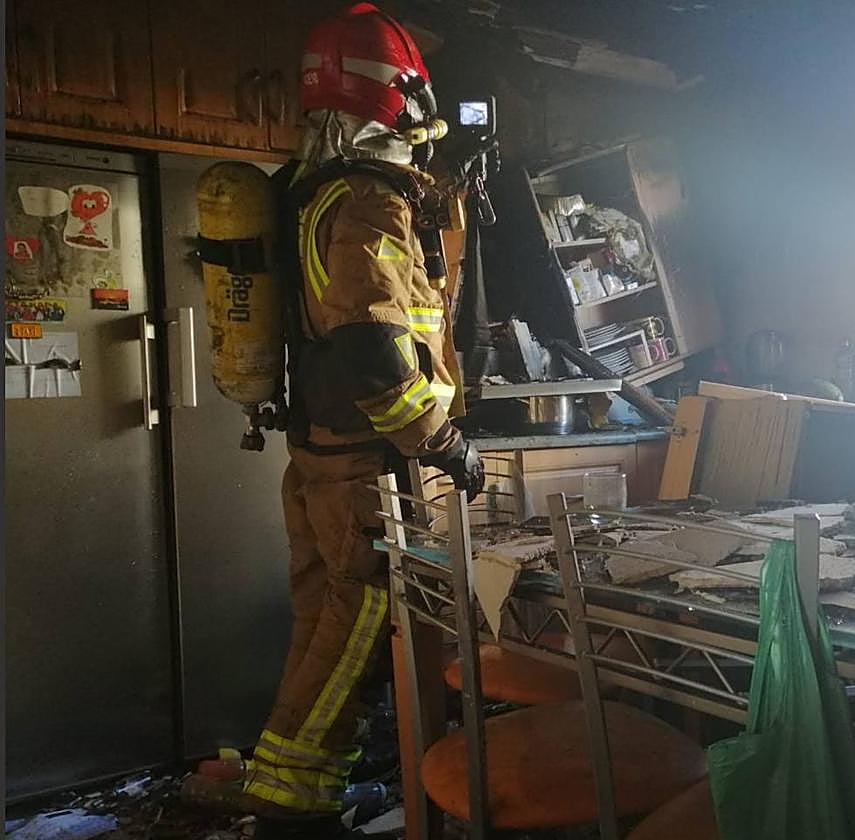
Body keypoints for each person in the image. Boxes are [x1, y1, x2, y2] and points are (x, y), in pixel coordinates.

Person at [245, 4, 484, 836]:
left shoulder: (311, 194)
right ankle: (292, 813)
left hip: (317, 456)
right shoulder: (373, 202)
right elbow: (372, 350)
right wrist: (444, 442)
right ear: (402, 101)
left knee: (319, 625)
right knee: (362, 625)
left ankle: (286, 788)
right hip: (361, 470)